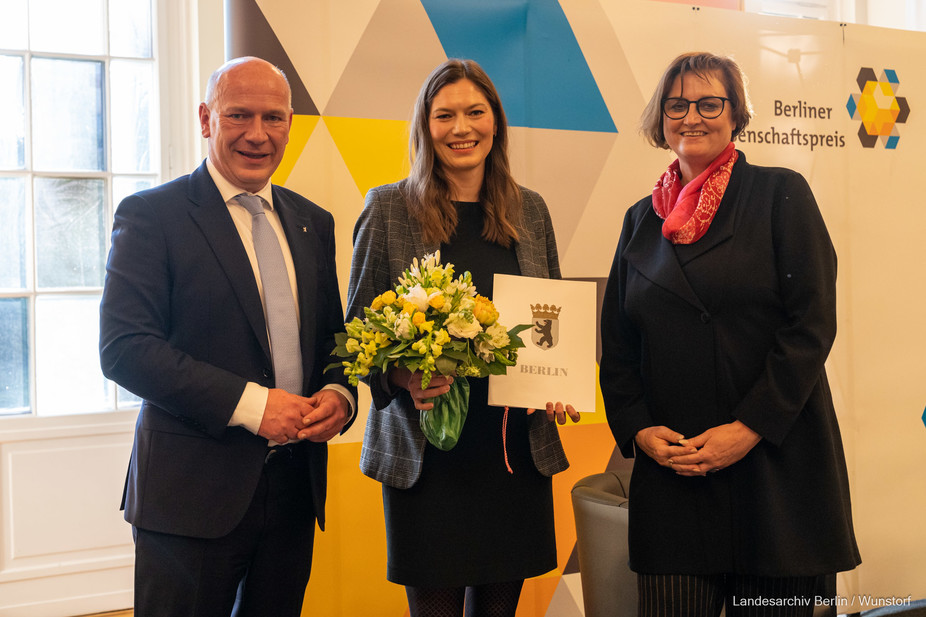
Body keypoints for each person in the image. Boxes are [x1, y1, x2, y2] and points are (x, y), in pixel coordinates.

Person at [599, 52, 860, 616]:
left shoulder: (779, 194)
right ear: (660, 118)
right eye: (677, 105)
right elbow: (617, 348)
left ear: (735, 113)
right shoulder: (639, 221)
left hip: (773, 470)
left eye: (709, 103)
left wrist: (747, 429)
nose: (692, 117)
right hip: (675, 476)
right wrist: (640, 431)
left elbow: (811, 325)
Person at [99, 56, 356, 617]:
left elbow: (334, 342)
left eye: (274, 118)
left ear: (291, 123)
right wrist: (254, 406)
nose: (257, 134)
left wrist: (341, 396)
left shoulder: (314, 222)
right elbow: (124, 348)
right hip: (190, 498)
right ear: (205, 119)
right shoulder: (152, 215)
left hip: (293, 492)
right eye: (239, 115)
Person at [346, 58, 580, 617]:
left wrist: (561, 379)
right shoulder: (388, 208)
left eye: (475, 112)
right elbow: (356, 331)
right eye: (444, 115)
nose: (461, 128)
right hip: (428, 459)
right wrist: (402, 376)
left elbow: (552, 320)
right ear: (425, 128)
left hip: (512, 455)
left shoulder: (531, 210)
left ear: (495, 123)